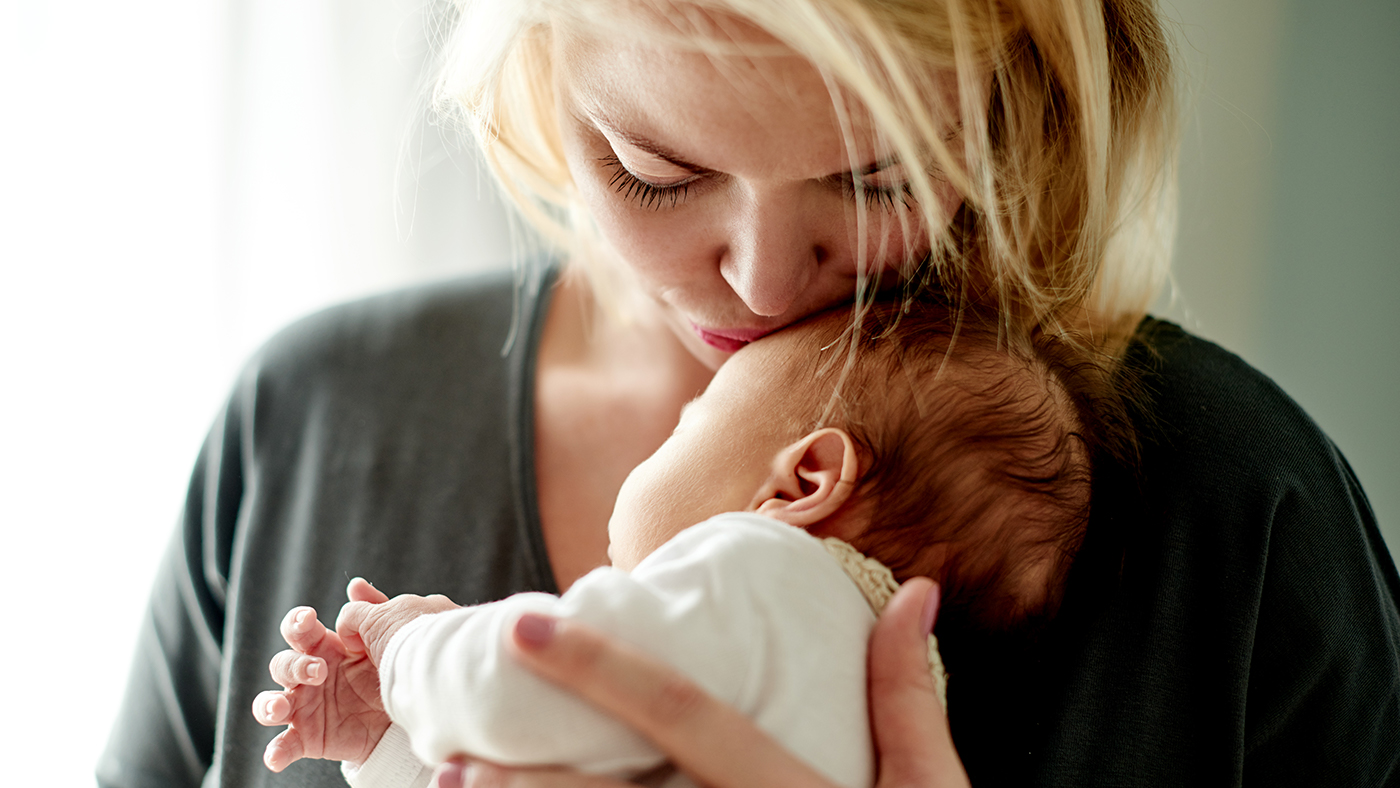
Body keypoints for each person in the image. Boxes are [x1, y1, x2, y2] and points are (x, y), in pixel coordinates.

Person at [97, 0, 1400, 785]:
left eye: (875, 179)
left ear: (1013, 106)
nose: (762, 280)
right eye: (655, 170)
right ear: (543, 73)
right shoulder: (310, 419)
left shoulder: (1236, 516)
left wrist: (405, 657)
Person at [249, 301, 1107, 787]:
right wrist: (385, 743)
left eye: (695, 421)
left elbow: (521, 689)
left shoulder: (767, 573)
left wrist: (407, 649)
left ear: (803, 483)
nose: (669, 429)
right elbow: (516, 764)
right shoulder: (873, 698)